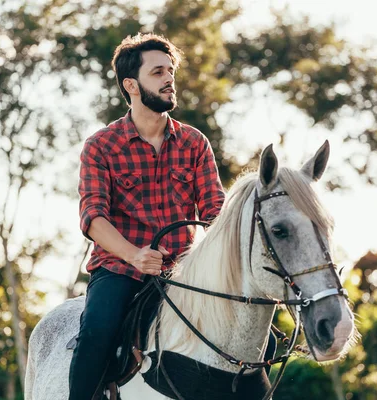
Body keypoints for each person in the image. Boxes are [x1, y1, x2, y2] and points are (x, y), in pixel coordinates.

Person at [69, 33, 225, 400]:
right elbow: (93, 216)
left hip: (184, 275)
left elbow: (217, 213)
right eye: (158, 72)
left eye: (170, 71)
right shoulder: (101, 146)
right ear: (132, 85)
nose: (169, 79)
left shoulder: (195, 143)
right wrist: (135, 255)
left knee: (253, 333)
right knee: (96, 333)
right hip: (120, 270)